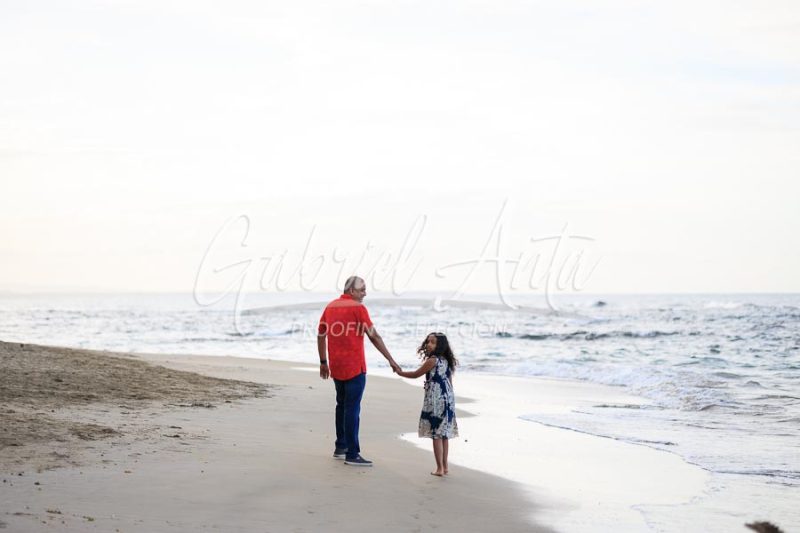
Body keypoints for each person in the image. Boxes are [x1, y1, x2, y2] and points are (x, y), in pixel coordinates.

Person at [317, 276, 400, 467]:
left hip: (337, 366)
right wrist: (391, 360)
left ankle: (341, 446)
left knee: (342, 405)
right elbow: (374, 336)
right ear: (352, 291)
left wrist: (323, 362)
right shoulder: (358, 308)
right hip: (354, 366)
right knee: (352, 408)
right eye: (362, 289)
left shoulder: (330, 307)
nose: (365, 293)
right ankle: (352, 454)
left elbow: (321, 334)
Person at [395, 332, 459, 476]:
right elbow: (450, 382)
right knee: (444, 434)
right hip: (447, 397)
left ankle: (439, 468)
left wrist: (400, 373)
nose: (429, 344)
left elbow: (415, 374)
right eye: (428, 342)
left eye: (433, 342)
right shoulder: (446, 360)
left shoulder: (433, 360)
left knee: (436, 433)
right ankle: (445, 466)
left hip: (436, 398)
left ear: (440, 346)